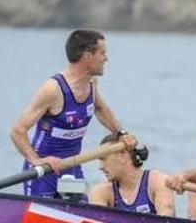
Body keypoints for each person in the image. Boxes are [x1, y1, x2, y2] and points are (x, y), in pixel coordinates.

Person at [11, 29, 134, 199]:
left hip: (73, 168)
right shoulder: (53, 89)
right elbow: (18, 131)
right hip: (43, 174)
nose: (106, 58)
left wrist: (121, 134)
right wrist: (37, 161)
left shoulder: (91, 84)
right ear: (88, 57)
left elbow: (100, 109)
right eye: (102, 53)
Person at [88, 134, 174, 216]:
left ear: (122, 155)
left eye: (103, 159)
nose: (100, 167)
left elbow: (166, 219)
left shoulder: (157, 181)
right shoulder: (101, 192)